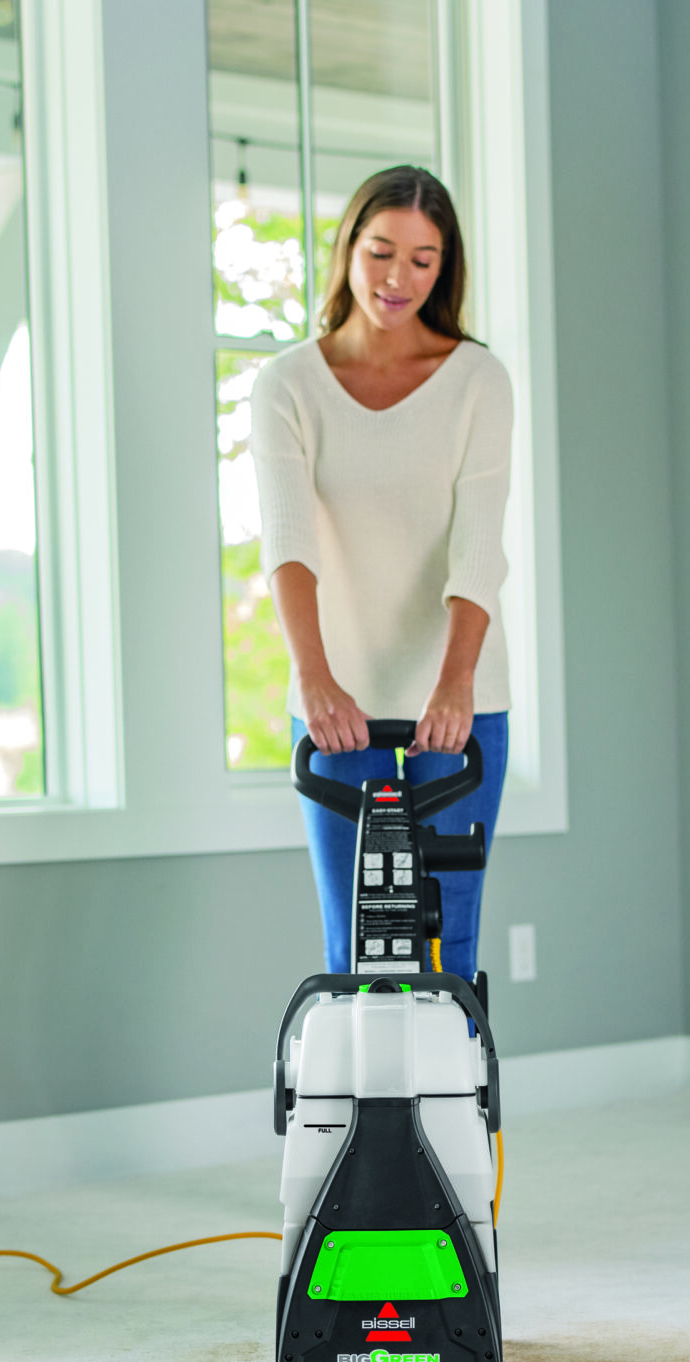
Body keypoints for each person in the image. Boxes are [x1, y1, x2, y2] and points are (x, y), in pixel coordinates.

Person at [252, 163, 513, 985]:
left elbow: (478, 544)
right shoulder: (288, 384)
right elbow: (289, 544)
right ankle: (364, 1115)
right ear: (348, 249)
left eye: (424, 259)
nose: (399, 278)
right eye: (381, 252)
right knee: (356, 947)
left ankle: (451, 1113)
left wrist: (455, 683)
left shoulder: (477, 380)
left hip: (459, 697)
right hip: (339, 704)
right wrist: (316, 680)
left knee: (449, 944)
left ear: (446, 268)